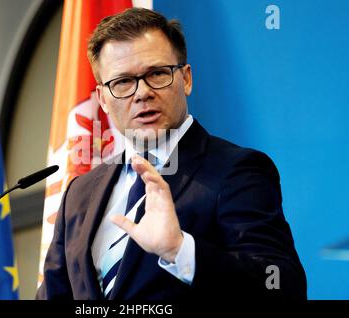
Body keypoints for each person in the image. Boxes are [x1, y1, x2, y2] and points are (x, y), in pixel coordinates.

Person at [36, 7, 306, 300]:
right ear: (102, 98)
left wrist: (180, 250)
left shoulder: (237, 170)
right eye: (122, 82)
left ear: (186, 79)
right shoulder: (79, 193)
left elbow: (282, 286)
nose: (141, 93)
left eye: (157, 73)